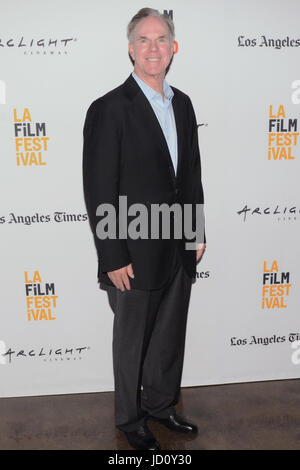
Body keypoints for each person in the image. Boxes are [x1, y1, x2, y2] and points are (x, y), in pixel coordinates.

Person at [83, 7, 206, 450]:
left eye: (161, 40)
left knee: (170, 335)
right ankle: (130, 417)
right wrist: (112, 254)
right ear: (131, 48)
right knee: (131, 342)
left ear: (173, 49)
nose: (153, 48)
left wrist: (196, 230)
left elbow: (190, 174)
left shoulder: (184, 104)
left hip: (178, 244)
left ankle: (159, 405)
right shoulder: (110, 108)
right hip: (131, 250)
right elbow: (99, 188)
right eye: (143, 40)